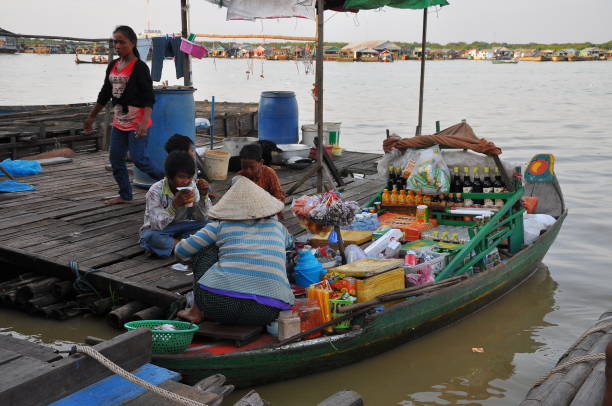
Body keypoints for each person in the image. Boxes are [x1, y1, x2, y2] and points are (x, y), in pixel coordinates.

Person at [176, 176, 294, 325]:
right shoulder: (278, 228)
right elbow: (290, 243)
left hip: (218, 304)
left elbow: (181, 250)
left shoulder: (220, 225)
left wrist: (189, 261)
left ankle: (195, 311)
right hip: (268, 311)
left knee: (205, 249)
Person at [84, 25, 163, 205]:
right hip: (119, 120)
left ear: (132, 43)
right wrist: (91, 116)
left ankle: (176, 184)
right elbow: (105, 92)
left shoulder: (140, 67)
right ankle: (125, 195)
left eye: (122, 42)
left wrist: (144, 122)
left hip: (137, 121)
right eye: (115, 42)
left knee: (139, 160)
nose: (117, 46)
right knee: (115, 158)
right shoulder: (113, 65)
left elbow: (149, 98)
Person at [139, 151, 211, 258]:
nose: (186, 181)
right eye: (181, 177)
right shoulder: (155, 191)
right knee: (149, 237)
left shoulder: (193, 187)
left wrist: (203, 196)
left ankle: (172, 246)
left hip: (185, 226)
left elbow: (203, 217)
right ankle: (188, 247)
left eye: (189, 177)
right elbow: (156, 225)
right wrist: (174, 205)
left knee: (212, 225)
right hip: (161, 230)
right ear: (168, 176)